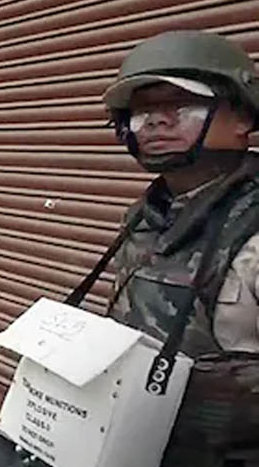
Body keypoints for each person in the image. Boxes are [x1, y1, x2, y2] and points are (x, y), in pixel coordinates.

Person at [85, 30, 258, 467]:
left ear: (242, 118)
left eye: (181, 105)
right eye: (142, 111)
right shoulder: (145, 217)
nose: (156, 122)